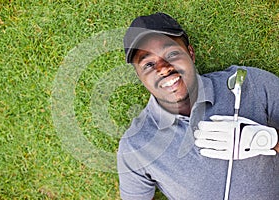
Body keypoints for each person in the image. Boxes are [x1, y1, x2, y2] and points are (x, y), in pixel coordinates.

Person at [117, 12, 279, 200]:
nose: (163, 68)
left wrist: (266, 140)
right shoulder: (135, 145)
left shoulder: (250, 84)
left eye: (171, 54)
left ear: (191, 53)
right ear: (139, 76)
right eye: (149, 64)